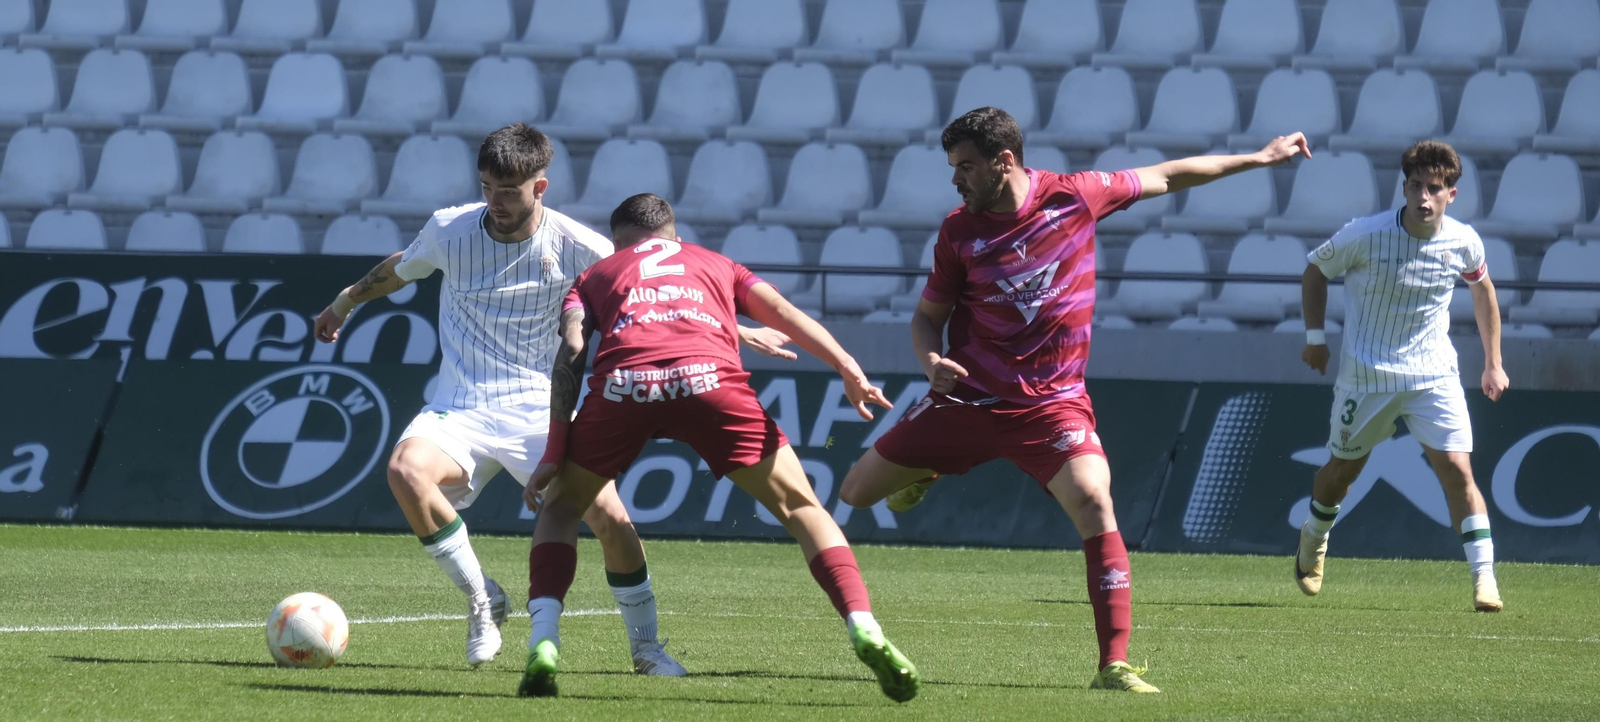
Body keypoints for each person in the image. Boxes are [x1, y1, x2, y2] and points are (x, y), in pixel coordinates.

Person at [836, 106, 1312, 694]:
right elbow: (927, 319)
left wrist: (1259, 158)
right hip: (969, 399)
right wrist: (930, 362)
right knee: (854, 494)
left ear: (1002, 162)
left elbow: (1169, 175)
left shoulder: (1076, 197)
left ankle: (1112, 665)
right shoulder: (958, 232)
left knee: (1093, 500)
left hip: (1051, 404)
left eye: (964, 167)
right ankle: (928, 468)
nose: (955, 179)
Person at [313, 124, 792, 672]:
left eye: (509, 190)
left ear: (539, 187)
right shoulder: (450, 229)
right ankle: (482, 600)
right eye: (487, 186)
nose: (494, 201)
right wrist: (344, 303)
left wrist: (737, 329)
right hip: (461, 404)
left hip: (541, 408)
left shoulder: (580, 246)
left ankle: (646, 648)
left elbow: (653, 289)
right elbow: (399, 268)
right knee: (406, 471)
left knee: (611, 519)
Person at [515, 193, 919, 703]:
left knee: (563, 507)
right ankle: (864, 626)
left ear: (618, 244)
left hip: (625, 384)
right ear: (673, 235)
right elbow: (787, 315)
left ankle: (544, 641)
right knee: (801, 508)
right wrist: (846, 366)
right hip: (710, 381)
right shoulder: (715, 262)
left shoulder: (595, 276)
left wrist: (555, 450)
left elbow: (572, 351)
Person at [1294, 139, 1507, 612]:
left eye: (1435, 188)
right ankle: (1314, 534)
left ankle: (1484, 579)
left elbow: (1484, 292)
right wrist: (1314, 337)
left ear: (1451, 193)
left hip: (1433, 376)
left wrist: (1493, 362)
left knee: (1456, 468)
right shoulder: (1363, 235)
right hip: (1366, 377)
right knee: (1341, 474)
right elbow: (1314, 272)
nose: (1423, 197)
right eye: (1416, 186)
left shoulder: (1463, 241)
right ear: (1404, 188)